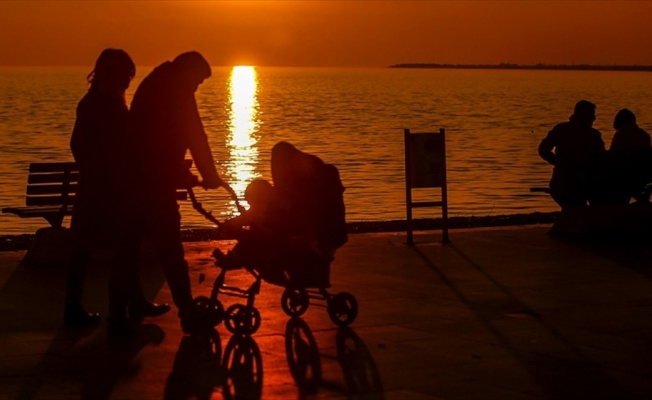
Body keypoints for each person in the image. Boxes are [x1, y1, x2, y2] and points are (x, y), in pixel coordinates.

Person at [110, 51, 231, 335]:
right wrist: (209, 175)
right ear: (189, 71)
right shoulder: (175, 88)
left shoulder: (158, 82)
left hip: (135, 183)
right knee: (170, 253)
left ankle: (122, 317)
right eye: (198, 81)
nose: (196, 88)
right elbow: (193, 134)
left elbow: (163, 137)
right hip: (150, 188)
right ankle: (186, 314)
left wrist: (184, 172)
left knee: (127, 253)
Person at [64, 49, 170, 327]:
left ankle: (127, 302)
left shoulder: (94, 104)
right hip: (107, 191)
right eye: (124, 76)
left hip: (97, 188)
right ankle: (116, 312)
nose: (127, 83)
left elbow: (77, 145)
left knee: (100, 248)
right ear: (110, 74)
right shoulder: (104, 107)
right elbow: (118, 149)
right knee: (120, 247)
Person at [538, 100, 605, 208]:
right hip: (569, 184)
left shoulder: (593, 135)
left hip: (577, 183)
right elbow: (543, 149)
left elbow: (601, 158)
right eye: (591, 114)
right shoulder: (563, 130)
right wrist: (560, 164)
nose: (594, 118)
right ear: (582, 115)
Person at [603, 108, 652, 204]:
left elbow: (614, 155)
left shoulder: (620, 134)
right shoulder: (644, 135)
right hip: (644, 174)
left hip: (625, 176)